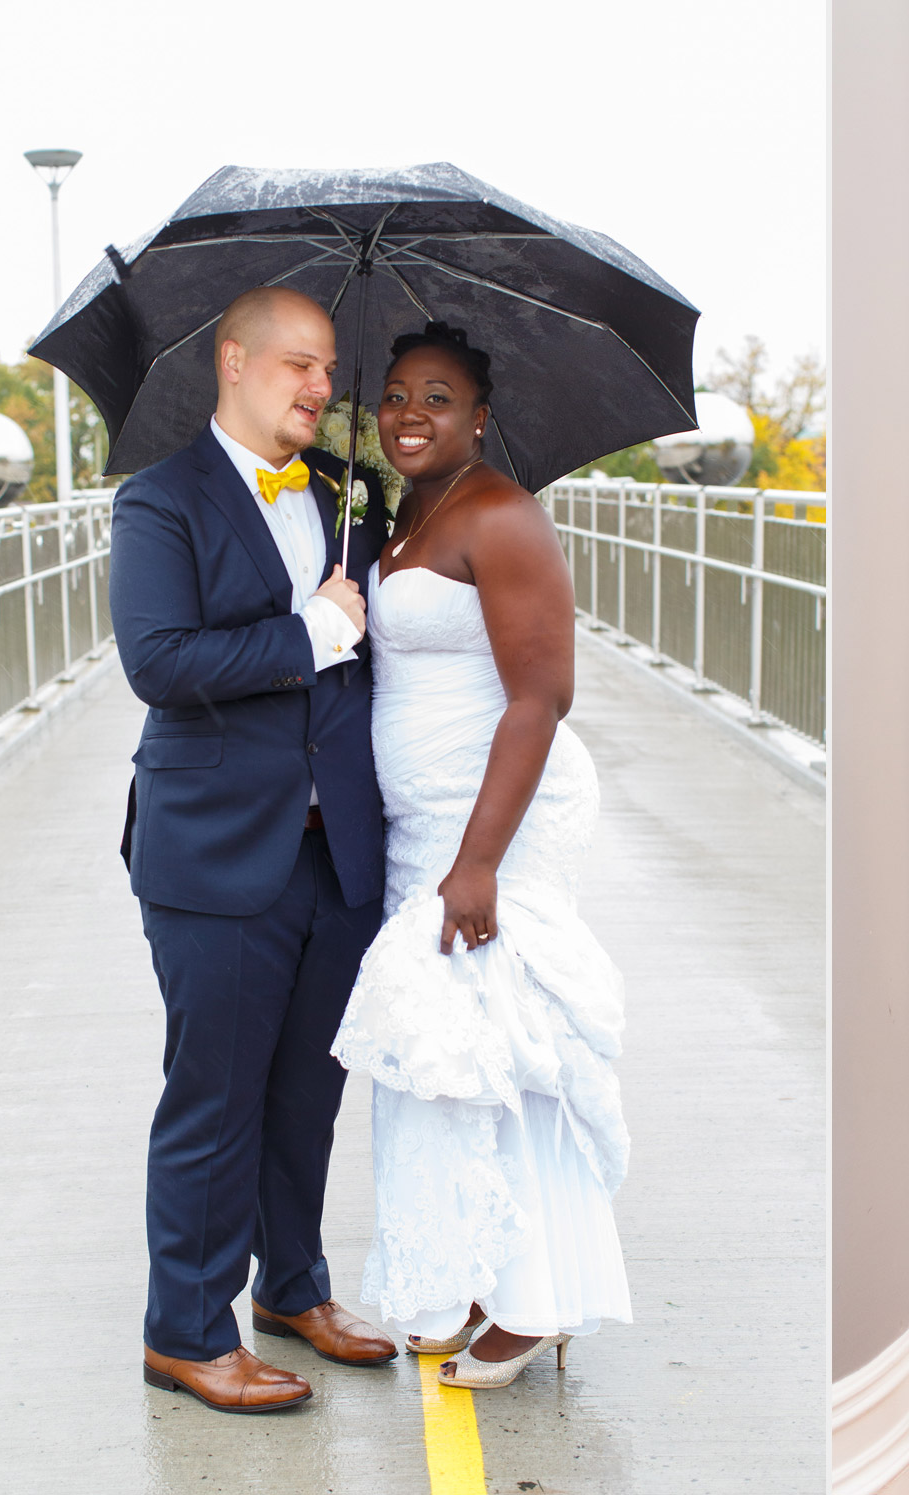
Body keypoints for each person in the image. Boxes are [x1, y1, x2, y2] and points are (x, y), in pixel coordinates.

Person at [110, 286, 397, 1413]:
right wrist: (310, 633)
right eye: (300, 366)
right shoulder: (159, 501)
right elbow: (160, 661)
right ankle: (184, 1330)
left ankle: (292, 1288)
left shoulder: (343, 498)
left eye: (330, 372)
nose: (322, 391)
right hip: (216, 850)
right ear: (233, 362)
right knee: (214, 1097)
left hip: (335, 849)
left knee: (304, 1093)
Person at [331, 321, 631, 1389]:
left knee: (507, 1050)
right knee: (440, 1054)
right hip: (421, 824)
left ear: (481, 418)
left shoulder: (500, 513)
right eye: (397, 395)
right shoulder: (403, 513)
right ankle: (467, 1272)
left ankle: (534, 1302)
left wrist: (479, 861)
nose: (411, 414)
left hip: (489, 822)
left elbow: (540, 695)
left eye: (439, 398)